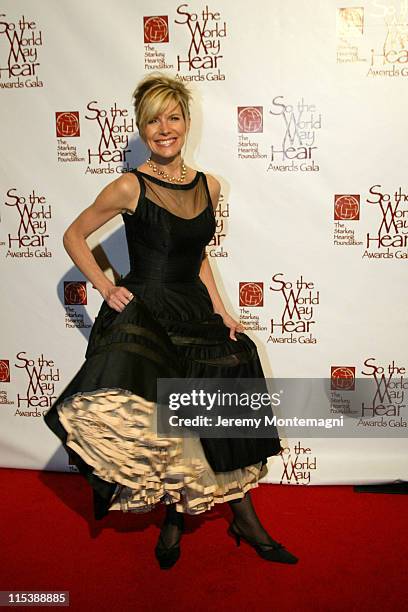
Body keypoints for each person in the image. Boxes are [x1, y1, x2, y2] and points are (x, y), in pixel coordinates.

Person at [43, 72, 298, 568]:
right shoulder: (128, 185)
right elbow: (75, 234)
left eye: (174, 117)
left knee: (215, 405)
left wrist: (221, 309)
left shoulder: (211, 186)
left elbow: (197, 255)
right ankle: (179, 519)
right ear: (142, 128)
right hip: (150, 311)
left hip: (194, 308)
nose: (164, 128)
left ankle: (230, 517)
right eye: (153, 120)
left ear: (187, 122)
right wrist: (105, 285)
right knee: (164, 423)